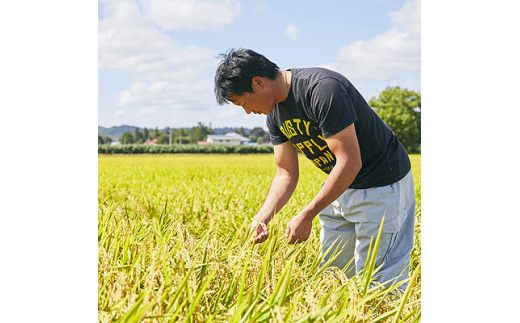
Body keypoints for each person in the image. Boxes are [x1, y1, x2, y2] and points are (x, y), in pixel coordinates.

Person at [214, 48, 416, 290]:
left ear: (258, 83)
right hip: (339, 186)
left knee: (380, 284)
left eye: (243, 102)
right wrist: (262, 218)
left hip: (381, 185)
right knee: (333, 278)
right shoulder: (274, 114)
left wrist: (307, 214)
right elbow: (285, 173)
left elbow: (350, 161)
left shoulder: (322, 90)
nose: (248, 111)